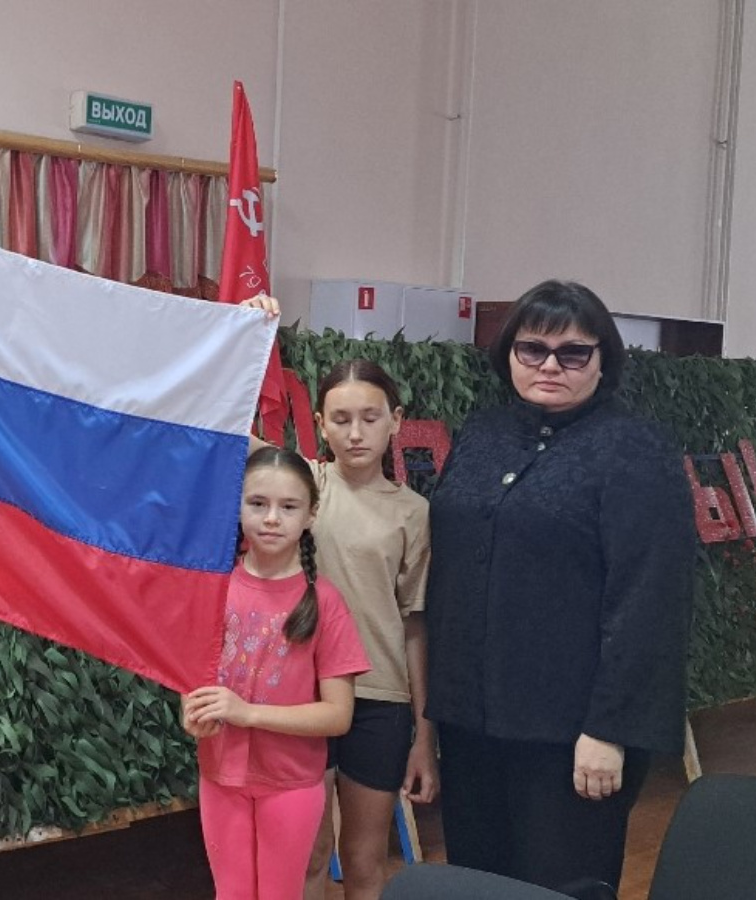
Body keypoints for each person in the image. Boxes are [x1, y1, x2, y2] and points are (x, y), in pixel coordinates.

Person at [424, 279, 695, 892]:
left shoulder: (634, 449)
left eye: (572, 353)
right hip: (471, 721)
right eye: (533, 349)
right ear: (509, 355)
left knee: (562, 886)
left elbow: (650, 600)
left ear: (603, 361)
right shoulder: (482, 433)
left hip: (573, 734)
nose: (550, 365)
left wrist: (610, 730)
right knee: (477, 884)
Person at [184, 446, 371, 900]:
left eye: (288, 507)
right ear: (237, 505)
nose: (271, 518)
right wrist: (192, 713)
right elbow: (192, 680)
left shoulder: (324, 602)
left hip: (291, 784)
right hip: (220, 777)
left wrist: (247, 713)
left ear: (310, 515)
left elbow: (338, 715)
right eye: (257, 503)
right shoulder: (213, 589)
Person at [301, 360, 437, 900]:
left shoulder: (414, 513)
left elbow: (414, 624)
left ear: (395, 420)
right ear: (320, 424)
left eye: (370, 417)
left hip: (381, 702)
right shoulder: (304, 486)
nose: (355, 433)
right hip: (305, 698)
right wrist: (242, 330)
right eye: (340, 419)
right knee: (309, 856)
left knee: (364, 861)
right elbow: (230, 432)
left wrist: (424, 736)